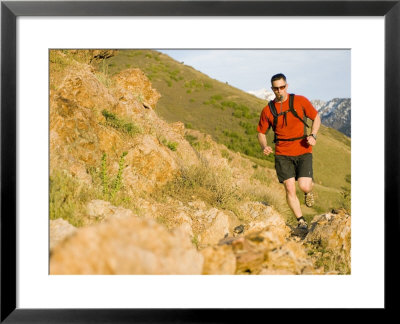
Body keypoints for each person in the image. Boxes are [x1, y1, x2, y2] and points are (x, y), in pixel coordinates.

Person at [257, 73, 321, 230]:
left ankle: (307, 192)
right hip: (282, 153)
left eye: (282, 87)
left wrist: (313, 135)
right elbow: (261, 132)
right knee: (289, 187)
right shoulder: (268, 110)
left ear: (287, 86)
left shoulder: (300, 101)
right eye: (276, 88)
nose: (279, 91)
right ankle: (301, 220)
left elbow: (316, 117)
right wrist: (264, 146)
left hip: (303, 149)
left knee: (305, 186)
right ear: (272, 89)